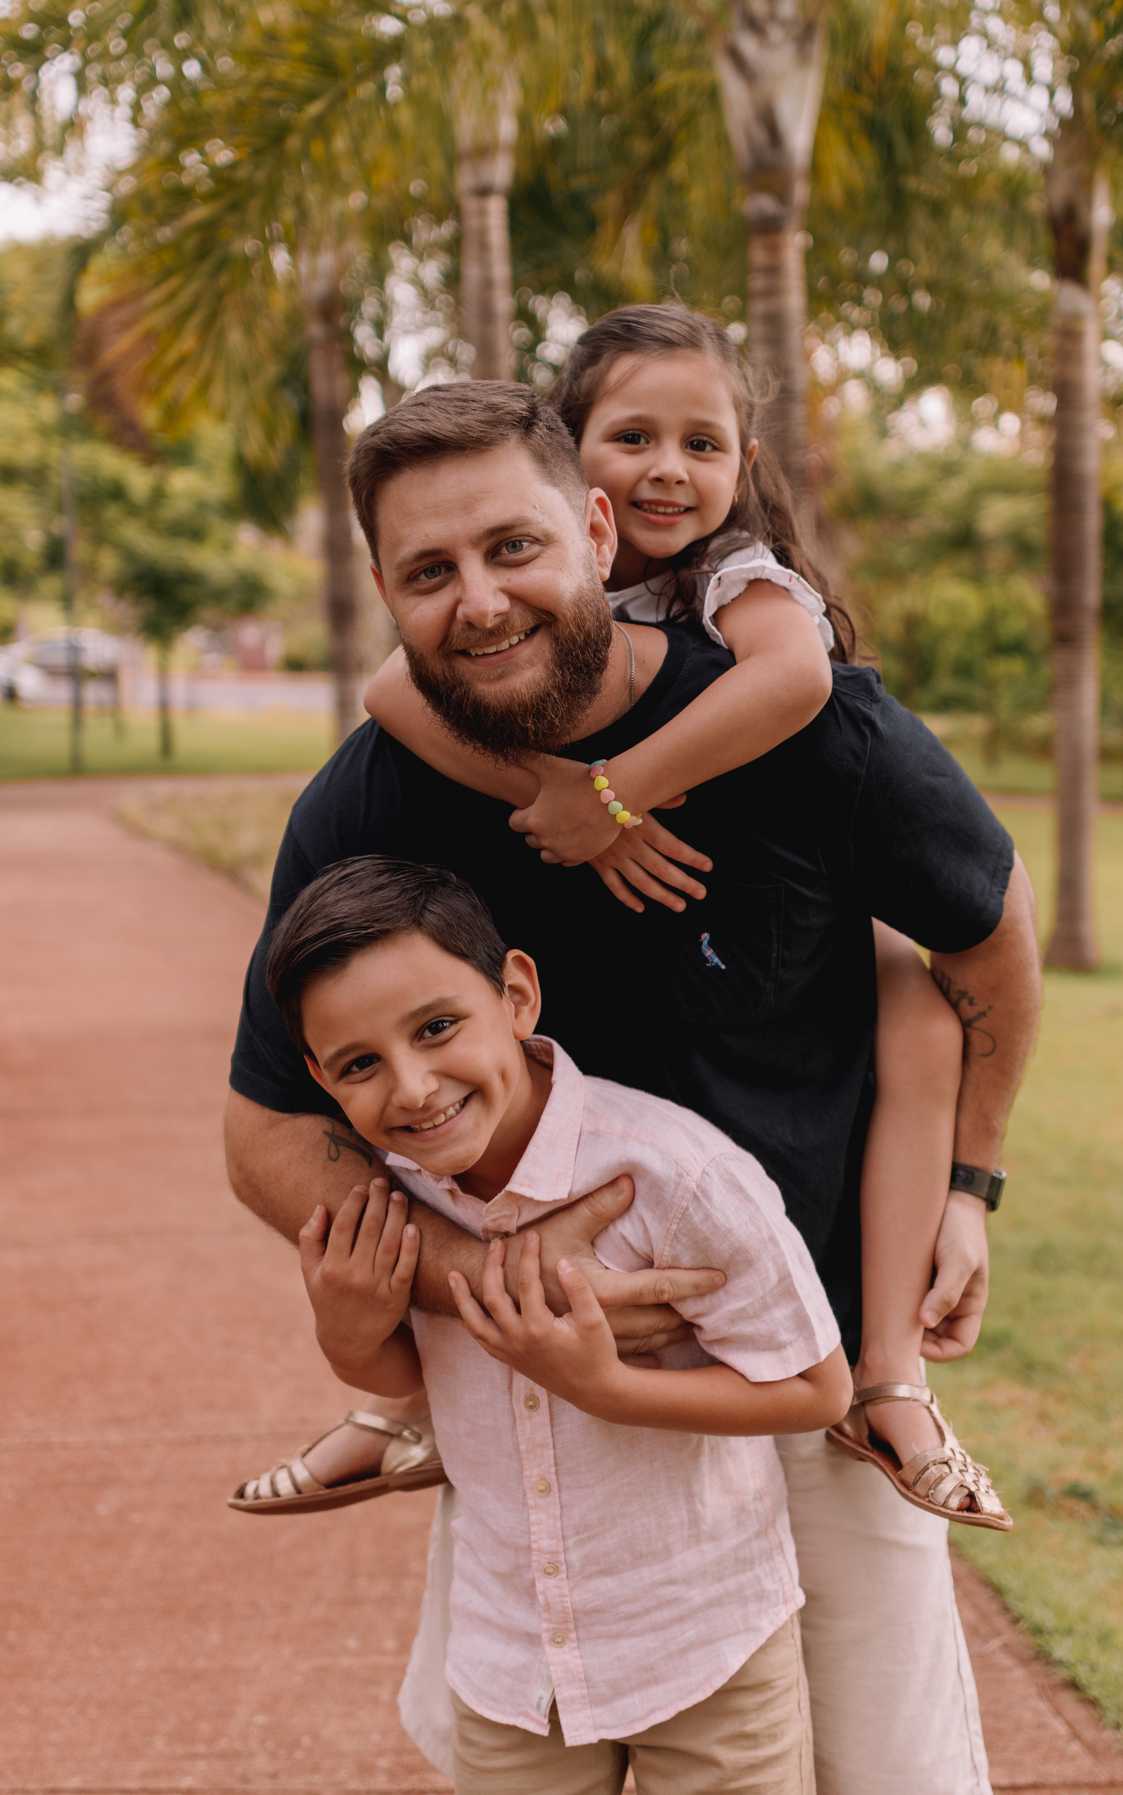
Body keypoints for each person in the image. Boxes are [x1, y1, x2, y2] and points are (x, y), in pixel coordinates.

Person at [224, 377, 1042, 1795]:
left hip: (810, 1374)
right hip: (550, 1419)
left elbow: (988, 944)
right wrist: (507, 1282)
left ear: (600, 530)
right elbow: (268, 1132)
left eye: (514, 548)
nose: (479, 603)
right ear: (382, 592)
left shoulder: (817, 735)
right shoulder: (369, 799)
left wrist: (968, 1184)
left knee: (887, 1772)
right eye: (430, 572)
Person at [288, 303, 1008, 1522]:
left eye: (704, 444)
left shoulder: (741, 588)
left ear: (589, 521)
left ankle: (885, 1379)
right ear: (582, 456)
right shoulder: (401, 751)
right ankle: (403, 1406)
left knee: (912, 1010)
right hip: (548, 1362)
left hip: (789, 1321)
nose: (671, 468)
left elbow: (801, 690)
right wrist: (556, 794)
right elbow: (386, 690)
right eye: (633, 435)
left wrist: (619, 797)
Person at [271, 852, 850, 1793]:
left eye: (438, 1027)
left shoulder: (676, 1177)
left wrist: (606, 1389)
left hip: (703, 1643)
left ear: (518, 995)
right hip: (512, 1656)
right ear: (319, 1076)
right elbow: (407, 1373)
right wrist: (347, 1333)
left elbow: (816, 1388)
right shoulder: (391, 1199)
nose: (413, 1087)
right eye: (361, 1065)